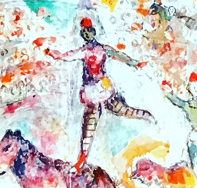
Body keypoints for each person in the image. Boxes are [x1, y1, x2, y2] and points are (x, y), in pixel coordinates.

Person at [49, 16, 154, 167]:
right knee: (115, 113)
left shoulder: (89, 51)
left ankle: (81, 160)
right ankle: (147, 116)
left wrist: (52, 53)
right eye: (86, 32)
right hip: (99, 88)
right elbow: (120, 56)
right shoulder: (97, 50)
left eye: (87, 32)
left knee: (97, 122)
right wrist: (135, 63)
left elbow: (65, 57)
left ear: (89, 33)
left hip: (96, 90)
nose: (87, 35)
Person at [163, 73, 197, 177]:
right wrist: (168, 92)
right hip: (193, 137)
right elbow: (177, 101)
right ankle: (196, 179)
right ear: (189, 89)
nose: (195, 89)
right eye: (192, 86)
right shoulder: (188, 105)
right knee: (195, 164)